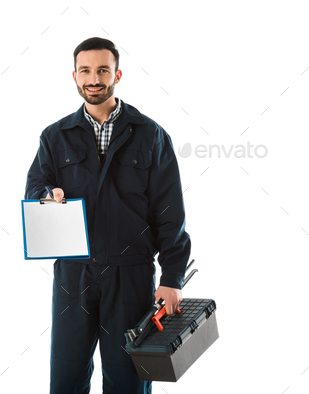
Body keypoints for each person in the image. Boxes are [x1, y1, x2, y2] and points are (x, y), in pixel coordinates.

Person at [24, 37, 191, 394]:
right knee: (66, 376)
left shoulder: (150, 135)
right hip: (74, 274)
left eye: (103, 70)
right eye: (85, 70)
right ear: (74, 76)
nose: (94, 78)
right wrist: (45, 197)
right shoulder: (55, 136)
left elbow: (169, 211)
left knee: (127, 378)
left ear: (118, 74)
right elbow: (35, 185)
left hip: (129, 273)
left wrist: (173, 276)